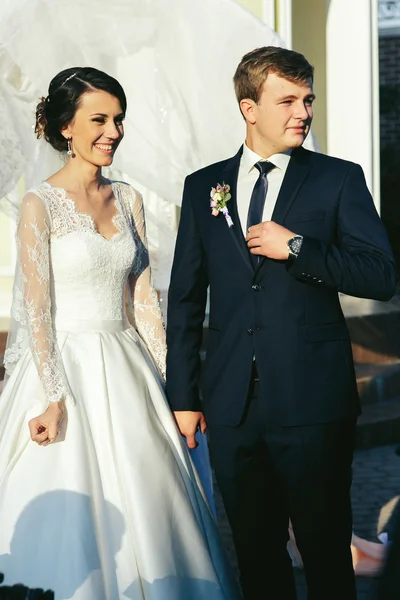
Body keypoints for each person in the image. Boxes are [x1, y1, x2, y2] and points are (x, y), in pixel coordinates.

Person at [0, 67, 241, 600]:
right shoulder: (39, 205)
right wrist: (54, 397)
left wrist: (173, 387)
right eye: (100, 119)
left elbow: (144, 304)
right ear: (66, 127)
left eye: (119, 118)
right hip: (65, 370)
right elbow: (36, 309)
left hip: (129, 365)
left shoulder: (128, 199)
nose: (114, 130)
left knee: (155, 501)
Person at [166, 46, 397, 600]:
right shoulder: (205, 187)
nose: (303, 112)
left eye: (308, 99)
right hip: (230, 407)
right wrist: (184, 396)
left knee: (323, 553)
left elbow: (380, 275)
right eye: (287, 99)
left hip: (313, 400)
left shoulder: (338, 179)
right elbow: (185, 298)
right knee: (255, 553)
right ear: (249, 108)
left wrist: (296, 246)